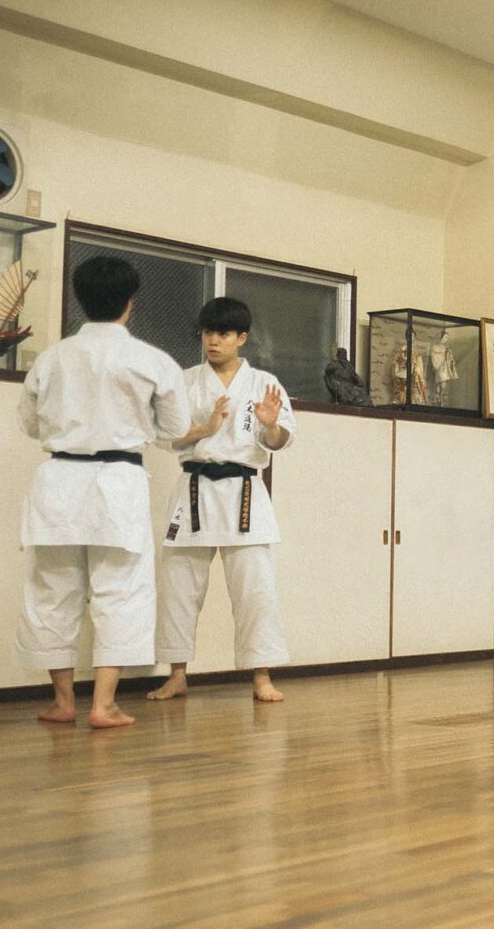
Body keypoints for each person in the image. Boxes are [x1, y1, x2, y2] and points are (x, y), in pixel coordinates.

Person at [14, 256, 190, 729]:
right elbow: (175, 430)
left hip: (58, 481)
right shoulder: (153, 361)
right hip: (118, 481)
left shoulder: (51, 358)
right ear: (130, 303)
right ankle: (104, 703)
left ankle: (63, 701)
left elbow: (29, 424)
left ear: (80, 300)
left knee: (52, 593)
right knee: (122, 591)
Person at [148, 297, 296, 704]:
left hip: (244, 492)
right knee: (178, 588)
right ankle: (177, 675)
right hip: (194, 489)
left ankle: (262, 676)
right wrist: (203, 429)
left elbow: (280, 440)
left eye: (224, 334)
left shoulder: (263, 383)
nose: (213, 341)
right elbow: (162, 437)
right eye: (208, 333)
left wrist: (270, 426)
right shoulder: (184, 381)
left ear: (241, 338)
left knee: (255, 590)